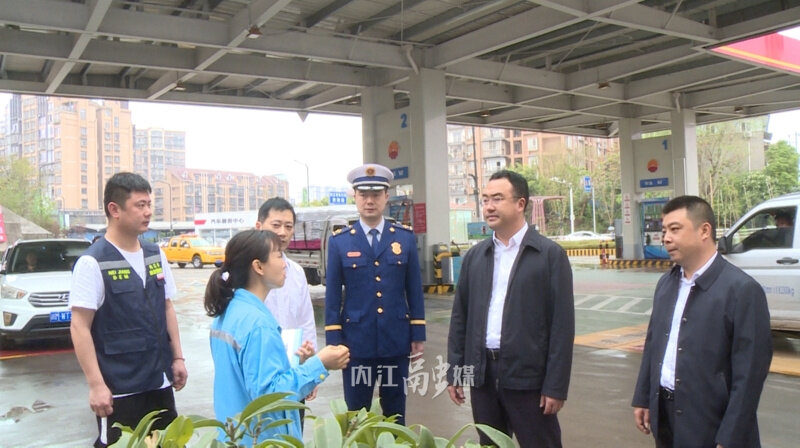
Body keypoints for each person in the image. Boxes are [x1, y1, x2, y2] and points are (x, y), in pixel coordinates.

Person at [632, 195, 773, 448]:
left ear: (704, 231)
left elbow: (749, 377)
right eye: (664, 231)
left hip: (711, 423)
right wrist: (643, 397)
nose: (666, 238)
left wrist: (730, 437)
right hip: (666, 416)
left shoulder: (741, 290)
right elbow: (653, 344)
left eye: (675, 229)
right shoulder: (667, 284)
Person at [447, 169, 575, 447]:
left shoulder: (549, 255)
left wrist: (555, 386)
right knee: (489, 443)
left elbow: (562, 327)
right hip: (483, 376)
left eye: (497, 199)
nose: (489, 206)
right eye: (485, 200)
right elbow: (460, 319)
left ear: (520, 203)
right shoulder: (475, 257)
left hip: (528, 378)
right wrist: (456, 373)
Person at [69, 172, 188, 448]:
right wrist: (96, 384)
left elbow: (166, 306)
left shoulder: (155, 254)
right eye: (140, 205)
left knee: (167, 443)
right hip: (119, 388)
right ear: (115, 210)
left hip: (159, 381)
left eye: (149, 204)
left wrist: (178, 357)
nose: (148, 212)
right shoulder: (92, 263)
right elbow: (79, 326)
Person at [205, 229, 349, 445]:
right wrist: (320, 364)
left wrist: (293, 363)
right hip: (261, 438)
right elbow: (270, 395)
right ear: (258, 266)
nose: (284, 264)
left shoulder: (228, 312)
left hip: (234, 435)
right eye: (279, 255)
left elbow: (245, 377)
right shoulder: (258, 324)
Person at [324, 163, 425, 425]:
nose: (370, 201)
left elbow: (414, 289)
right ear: (355, 197)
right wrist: (334, 340)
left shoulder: (404, 238)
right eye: (363, 195)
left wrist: (418, 334)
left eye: (376, 194)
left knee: (395, 412)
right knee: (357, 415)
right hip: (356, 344)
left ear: (386, 197)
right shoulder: (340, 241)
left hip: (395, 341)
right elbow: (332, 296)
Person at [255, 197, 318, 424]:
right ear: (259, 226)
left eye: (288, 226)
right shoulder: (244, 272)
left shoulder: (297, 272)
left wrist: (311, 370)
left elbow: (306, 322)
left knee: (292, 430)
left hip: (293, 372)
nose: (282, 232)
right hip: (259, 372)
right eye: (276, 225)